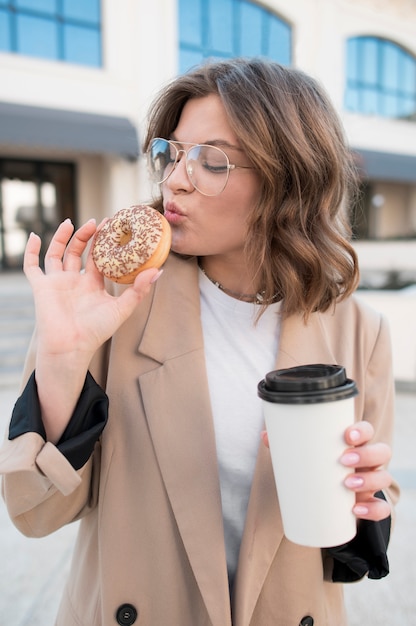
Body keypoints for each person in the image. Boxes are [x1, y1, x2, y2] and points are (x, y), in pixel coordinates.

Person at [0, 58, 398, 626]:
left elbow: (354, 547)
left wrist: (368, 503)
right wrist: (62, 363)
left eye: (211, 161)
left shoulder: (360, 331)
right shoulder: (116, 303)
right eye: (173, 152)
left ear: (290, 181)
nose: (175, 179)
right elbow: (34, 514)